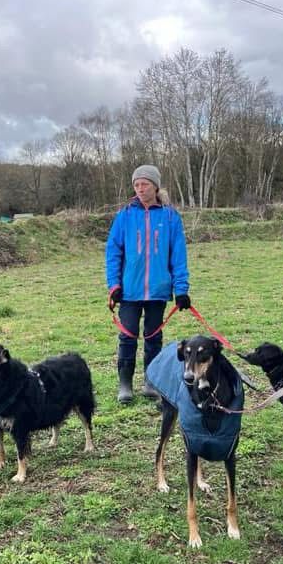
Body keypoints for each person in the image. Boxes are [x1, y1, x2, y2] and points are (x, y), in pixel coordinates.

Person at [105, 164, 190, 403]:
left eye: (145, 184)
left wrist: (181, 289)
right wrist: (114, 285)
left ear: (155, 186)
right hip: (129, 291)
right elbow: (113, 252)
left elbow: (178, 255)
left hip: (158, 291)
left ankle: (151, 381)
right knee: (127, 337)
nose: (140, 188)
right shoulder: (125, 215)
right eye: (136, 184)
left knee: (154, 338)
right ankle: (125, 384)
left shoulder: (170, 216)